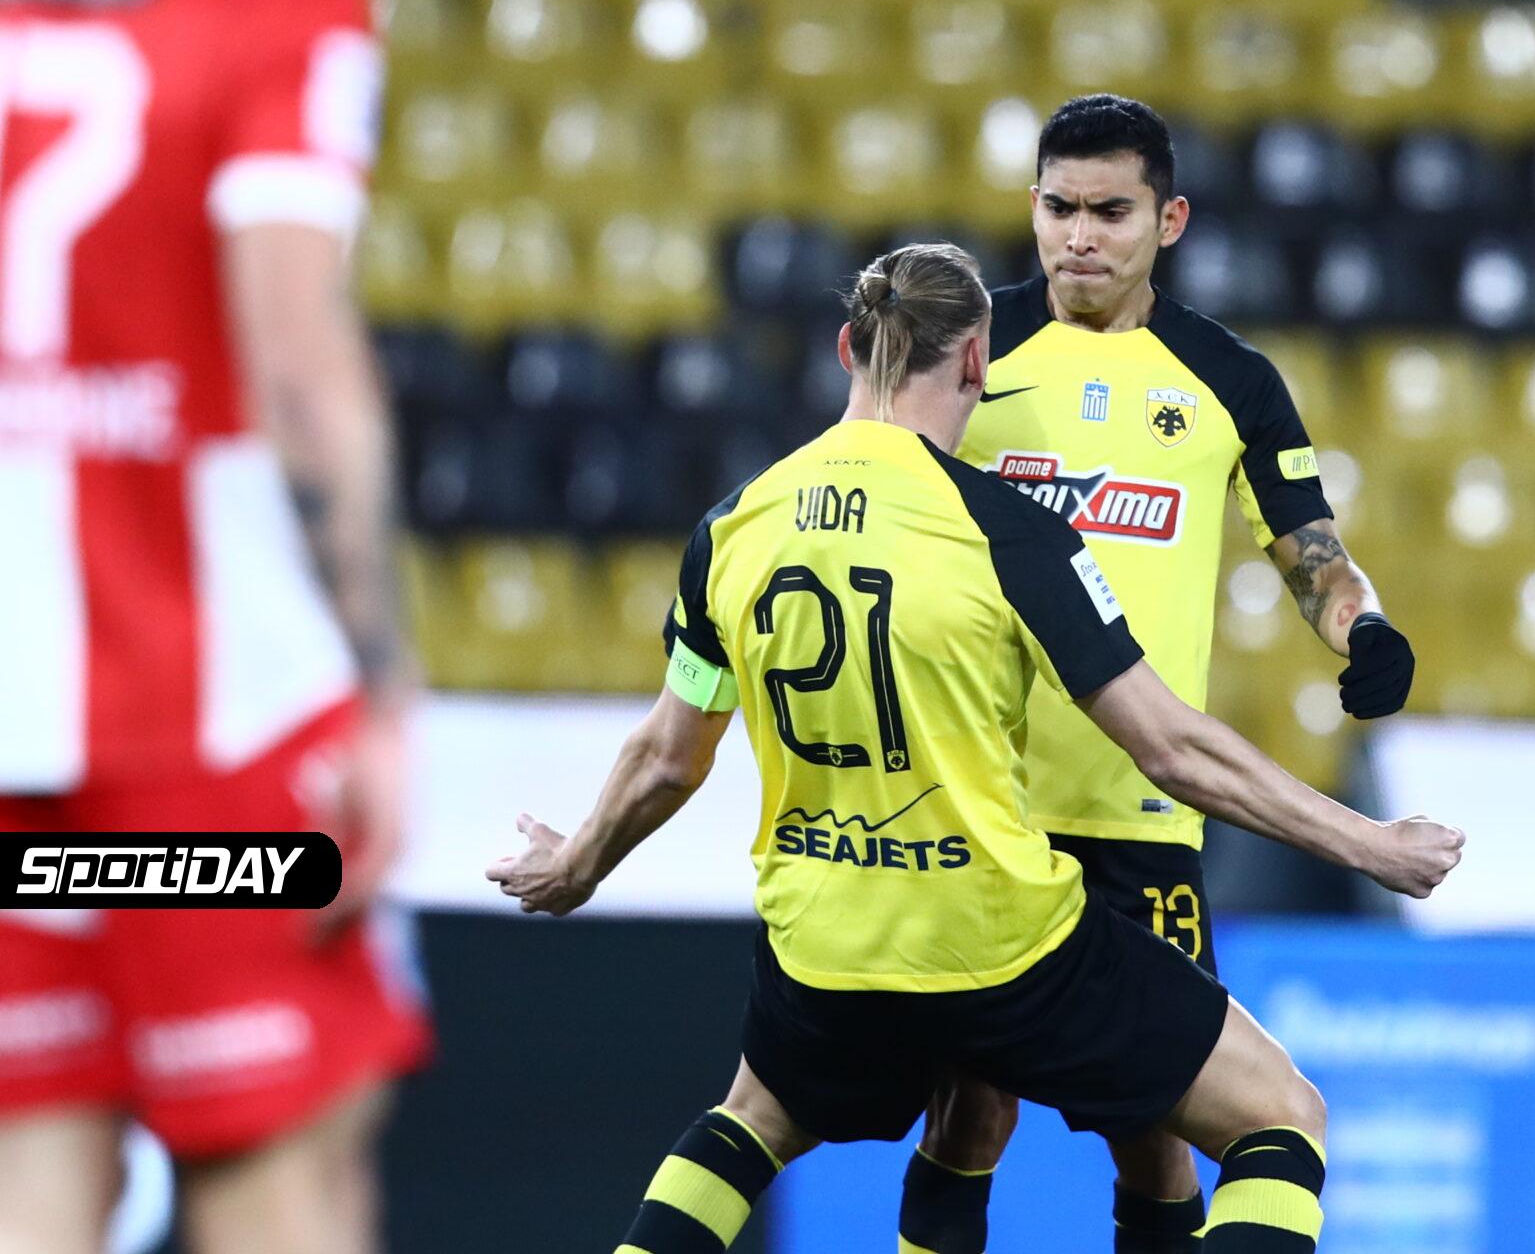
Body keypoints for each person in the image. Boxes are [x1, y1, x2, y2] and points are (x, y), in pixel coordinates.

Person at [488, 243, 1463, 1254]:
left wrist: (576, 863)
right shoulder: (1008, 532)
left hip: (824, 939)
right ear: (974, 364)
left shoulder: (734, 526)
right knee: (1280, 1119)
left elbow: (667, 755)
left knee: (750, 1124)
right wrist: (1370, 844)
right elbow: (1172, 748)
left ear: (847, 348)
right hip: (995, 944)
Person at [0, 0, 428, 1251]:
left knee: (28, 1199)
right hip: (209, 712)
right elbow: (297, 365)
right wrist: (384, 688)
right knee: (282, 1186)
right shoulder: (272, 4)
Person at [887, 94, 1420, 1254]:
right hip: (987, 808)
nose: (1079, 235)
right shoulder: (967, 357)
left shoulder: (1230, 378)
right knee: (970, 1111)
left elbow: (1312, 552)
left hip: (1144, 817)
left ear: (1168, 220)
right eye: (1058, 207)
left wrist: (1363, 630)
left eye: (1110, 211)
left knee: (1160, 1132)